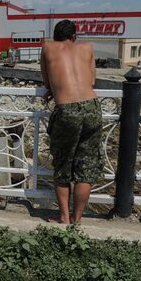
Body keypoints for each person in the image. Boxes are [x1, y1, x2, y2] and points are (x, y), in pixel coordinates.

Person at [41, 19, 104, 224]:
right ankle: (77, 220)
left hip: (67, 111)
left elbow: (47, 81)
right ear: (74, 36)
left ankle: (64, 218)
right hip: (92, 107)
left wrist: (53, 90)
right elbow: (92, 81)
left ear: (55, 37)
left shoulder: (47, 47)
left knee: (62, 165)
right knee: (86, 168)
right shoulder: (87, 48)